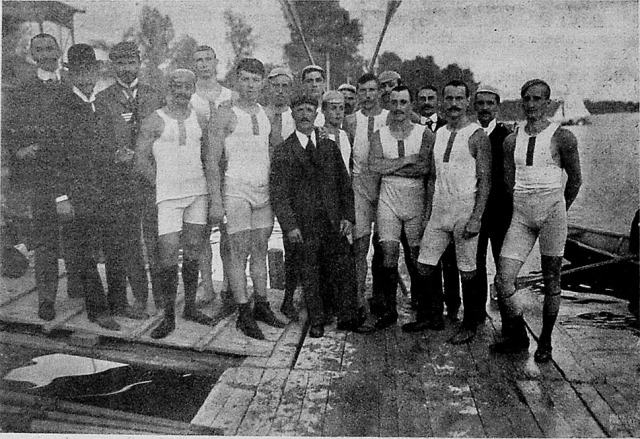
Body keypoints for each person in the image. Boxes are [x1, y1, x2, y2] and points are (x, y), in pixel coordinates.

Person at [493, 79, 582, 363]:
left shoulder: (563, 136)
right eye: (527, 99)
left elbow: (575, 180)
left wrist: (559, 209)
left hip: (552, 213)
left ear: (548, 103)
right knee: (503, 279)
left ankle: (545, 341)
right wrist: (524, 206)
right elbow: (509, 182)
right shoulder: (511, 140)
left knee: (552, 279)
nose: (531, 104)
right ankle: (519, 333)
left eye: (537, 99)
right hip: (522, 216)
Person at [404, 80, 491, 346]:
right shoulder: (439, 133)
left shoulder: (477, 135)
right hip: (440, 210)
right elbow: (432, 178)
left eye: (459, 99)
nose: (454, 104)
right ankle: (430, 315)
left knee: (467, 270)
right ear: (443, 101)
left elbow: (485, 181)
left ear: (467, 101)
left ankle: (470, 323)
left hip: (465, 210)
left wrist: (476, 218)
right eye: (449, 98)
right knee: (424, 264)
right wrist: (427, 214)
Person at [270, 92, 364, 338]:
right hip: (304, 224)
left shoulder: (329, 146)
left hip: (333, 221)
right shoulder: (284, 151)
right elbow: (279, 194)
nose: (304, 115)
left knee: (343, 266)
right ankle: (317, 320)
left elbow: (344, 185)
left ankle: (348, 317)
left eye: (309, 110)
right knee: (310, 271)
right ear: (293, 114)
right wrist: (290, 226)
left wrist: (348, 217)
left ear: (316, 114)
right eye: (300, 110)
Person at [135, 69, 218, 339]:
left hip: (197, 192)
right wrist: (161, 183)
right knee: (168, 252)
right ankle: (168, 316)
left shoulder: (199, 118)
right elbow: (140, 160)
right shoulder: (154, 119)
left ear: (193, 89)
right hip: (168, 197)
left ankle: (190, 307)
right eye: (176, 86)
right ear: (168, 88)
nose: (181, 91)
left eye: (187, 87)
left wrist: (211, 191)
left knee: (193, 248)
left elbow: (209, 156)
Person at [209, 58, 286, 340]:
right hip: (236, 189)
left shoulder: (267, 113)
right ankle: (243, 311)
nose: (250, 85)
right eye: (245, 79)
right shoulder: (224, 113)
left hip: (262, 190)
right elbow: (211, 160)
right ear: (236, 81)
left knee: (260, 249)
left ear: (262, 83)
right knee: (238, 251)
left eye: (255, 80)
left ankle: (262, 305)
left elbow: (277, 151)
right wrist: (216, 200)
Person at [3, 33, 74, 321]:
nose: (46, 54)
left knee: (77, 234)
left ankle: (78, 286)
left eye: (50, 48)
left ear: (59, 51)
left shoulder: (72, 84)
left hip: (74, 172)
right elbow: (9, 128)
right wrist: (20, 150)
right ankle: (47, 300)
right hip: (42, 175)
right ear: (33, 55)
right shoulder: (22, 91)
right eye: (39, 50)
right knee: (45, 240)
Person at [54, 44, 124, 331]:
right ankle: (98, 310)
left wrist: (118, 155)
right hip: (77, 193)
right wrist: (61, 197)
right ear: (70, 74)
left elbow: (107, 147)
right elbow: (53, 156)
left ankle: (118, 303)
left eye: (90, 70)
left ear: (96, 72)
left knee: (115, 246)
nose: (86, 76)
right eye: (79, 71)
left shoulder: (102, 105)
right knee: (84, 252)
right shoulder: (60, 108)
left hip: (107, 190)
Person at [96, 41, 163, 320]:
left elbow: (164, 135)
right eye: (121, 63)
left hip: (150, 179)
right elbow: (99, 140)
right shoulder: (103, 99)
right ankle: (140, 298)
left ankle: (162, 296)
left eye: (131, 62)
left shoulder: (154, 95)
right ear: (113, 66)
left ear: (139, 63)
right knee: (130, 242)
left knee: (155, 239)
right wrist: (114, 154)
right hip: (120, 182)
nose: (126, 68)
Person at [368, 85, 432, 329]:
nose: (398, 108)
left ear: (411, 105)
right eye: (394, 102)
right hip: (389, 196)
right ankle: (389, 311)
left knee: (416, 255)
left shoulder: (424, 133)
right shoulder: (379, 135)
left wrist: (391, 165)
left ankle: (422, 309)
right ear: (389, 105)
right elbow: (375, 166)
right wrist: (407, 160)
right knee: (388, 253)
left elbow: (424, 168)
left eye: (403, 102)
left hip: (415, 196)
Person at [190, 45, 238, 308]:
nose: (204, 64)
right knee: (201, 231)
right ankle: (207, 285)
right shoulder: (189, 97)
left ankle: (229, 285)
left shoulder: (231, 95)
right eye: (199, 60)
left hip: (228, 168)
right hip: (198, 168)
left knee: (229, 231)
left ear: (216, 62)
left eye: (208, 59)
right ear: (194, 64)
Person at [347, 73, 389, 328]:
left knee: (384, 246)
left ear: (379, 92)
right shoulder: (351, 120)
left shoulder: (390, 117)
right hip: (360, 186)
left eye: (372, 90)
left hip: (385, 187)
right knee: (359, 246)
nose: (367, 95)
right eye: (362, 91)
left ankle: (382, 298)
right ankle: (358, 299)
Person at [416, 84, 460, 320]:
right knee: (424, 253)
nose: (426, 103)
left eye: (430, 98)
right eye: (422, 98)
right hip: (416, 195)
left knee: (450, 257)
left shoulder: (448, 127)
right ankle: (428, 305)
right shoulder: (412, 127)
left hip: (444, 197)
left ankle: (452, 305)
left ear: (438, 101)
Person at [473, 84, 513, 319]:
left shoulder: (507, 135)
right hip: (475, 211)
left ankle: (509, 319)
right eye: (480, 103)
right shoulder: (469, 134)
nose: (485, 108)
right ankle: (477, 315)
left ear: (497, 106)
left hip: (501, 211)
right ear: (474, 106)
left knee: (504, 266)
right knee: (475, 263)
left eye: (490, 103)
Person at [264, 66, 299, 321]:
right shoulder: (258, 113)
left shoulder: (296, 117)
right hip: (261, 184)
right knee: (257, 240)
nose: (280, 91)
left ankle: (289, 298)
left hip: (288, 189)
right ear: (268, 87)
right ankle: (252, 297)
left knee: (293, 243)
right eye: (276, 86)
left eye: (285, 86)